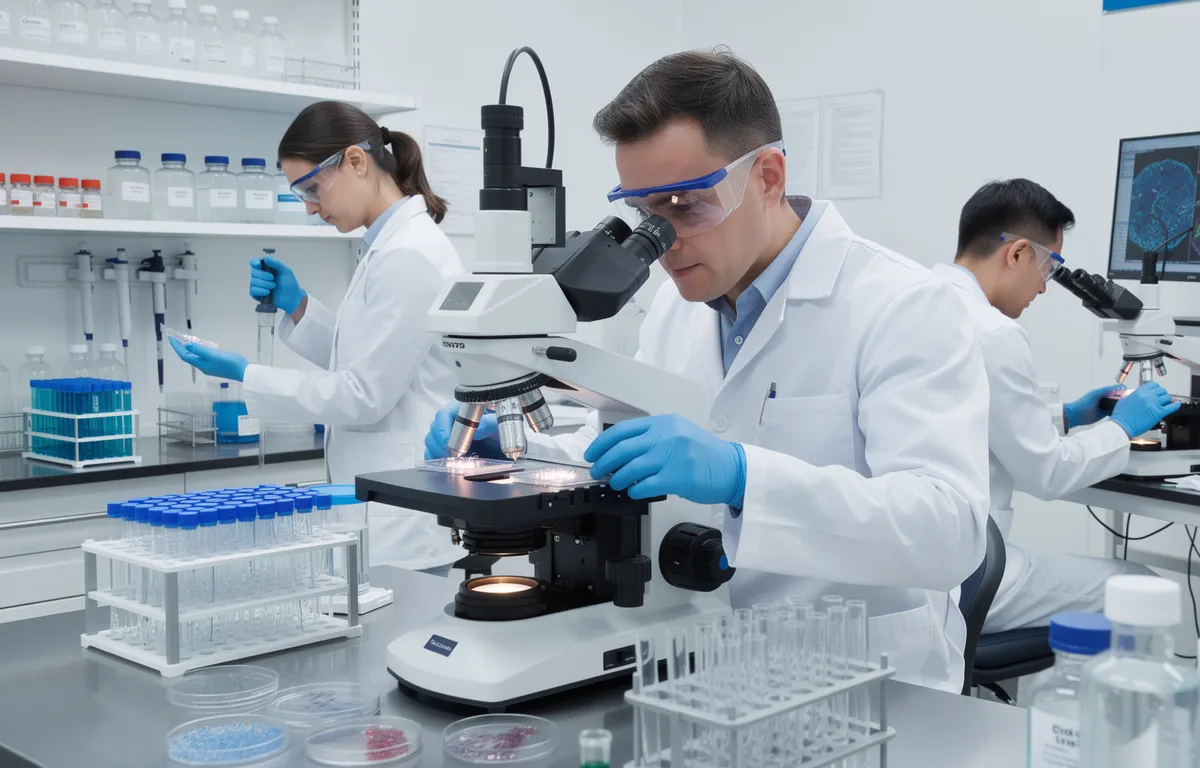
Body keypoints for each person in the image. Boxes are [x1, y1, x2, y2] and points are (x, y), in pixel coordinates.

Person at [426, 50, 992, 692]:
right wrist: (522, 450)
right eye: (645, 215)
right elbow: (637, 448)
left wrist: (744, 477)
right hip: (702, 670)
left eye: (684, 205)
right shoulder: (675, 306)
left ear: (769, 176)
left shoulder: (904, 304)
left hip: (865, 683)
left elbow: (950, 532)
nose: (665, 244)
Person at [171, 101, 467, 572]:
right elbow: (365, 356)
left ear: (355, 161)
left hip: (403, 520)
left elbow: (363, 393)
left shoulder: (409, 254)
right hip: (384, 502)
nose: (310, 207)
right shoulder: (386, 245)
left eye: (312, 187)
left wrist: (244, 373)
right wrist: (299, 305)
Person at [931, 178, 1176, 634]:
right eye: (1049, 266)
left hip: (919, 557)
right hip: (964, 572)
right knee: (1141, 586)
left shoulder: (920, 300)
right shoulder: (995, 333)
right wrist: (1122, 428)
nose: (1044, 288)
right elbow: (1046, 473)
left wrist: (1066, 416)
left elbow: (964, 417)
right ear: (1018, 252)